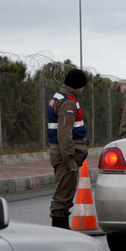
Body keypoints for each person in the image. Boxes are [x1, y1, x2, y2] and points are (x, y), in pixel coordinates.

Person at [48, 69, 89, 228]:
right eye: (82, 86)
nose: (83, 89)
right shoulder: (68, 102)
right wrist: (70, 160)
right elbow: (65, 133)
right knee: (63, 196)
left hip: (61, 153)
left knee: (64, 194)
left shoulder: (59, 96)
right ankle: (60, 231)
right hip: (64, 155)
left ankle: (62, 228)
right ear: (77, 85)